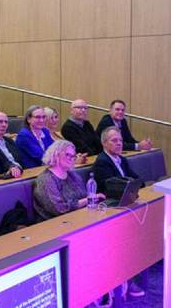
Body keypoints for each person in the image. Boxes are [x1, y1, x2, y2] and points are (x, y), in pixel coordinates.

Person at [93, 126, 145, 298]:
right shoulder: (102, 162)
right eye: (114, 140)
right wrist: (131, 184)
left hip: (125, 203)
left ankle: (135, 271)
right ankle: (125, 280)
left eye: (120, 140)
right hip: (110, 208)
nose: (119, 144)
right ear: (104, 143)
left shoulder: (121, 159)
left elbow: (137, 179)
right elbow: (112, 186)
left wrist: (133, 183)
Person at [32, 140, 104, 222]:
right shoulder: (45, 180)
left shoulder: (72, 175)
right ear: (56, 155)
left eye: (73, 156)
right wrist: (88, 200)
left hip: (78, 218)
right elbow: (59, 209)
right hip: (55, 224)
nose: (71, 159)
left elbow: (84, 196)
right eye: (67, 155)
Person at [0, 111, 23, 178]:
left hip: (18, 175)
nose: (4, 125)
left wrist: (17, 168)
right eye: (0, 121)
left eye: (6, 122)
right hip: (1, 178)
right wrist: (12, 167)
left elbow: (20, 161)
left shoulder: (9, 141)